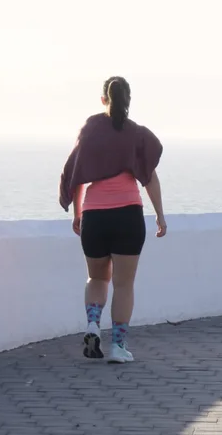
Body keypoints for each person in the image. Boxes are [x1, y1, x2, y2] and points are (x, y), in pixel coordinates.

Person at [58, 76, 167, 363]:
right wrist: (160, 216)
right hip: (128, 216)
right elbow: (150, 178)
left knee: (96, 278)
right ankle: (118, 347)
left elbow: (76, 175)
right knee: (123, 284)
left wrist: (78, 213)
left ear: (103, 99)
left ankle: (93, 324)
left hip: (95, 216)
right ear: (128, 101)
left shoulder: (91, 129)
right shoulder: (137, 134)